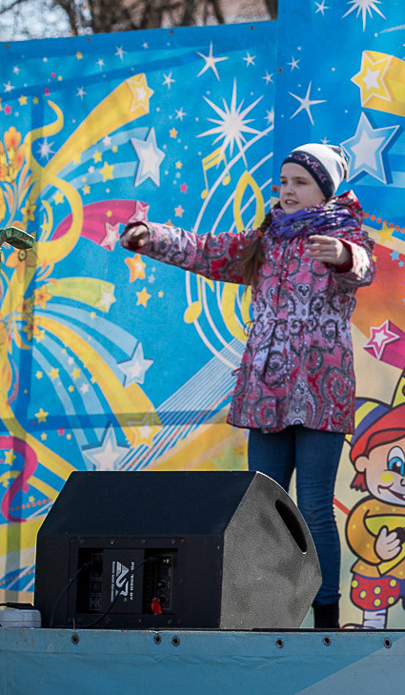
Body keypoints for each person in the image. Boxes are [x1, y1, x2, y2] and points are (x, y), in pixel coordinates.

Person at [121, 144, 375, 629]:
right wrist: (151, 236)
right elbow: (205, 250)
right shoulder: (266, 240)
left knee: (314, 506)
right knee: (263, 510)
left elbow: (361, 268)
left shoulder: (343, 233)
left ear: (325, 190)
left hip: (320, 392)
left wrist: (344, 256)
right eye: (283, 182)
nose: (287, 191)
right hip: (267, 394)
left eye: (300, 182)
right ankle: (270, 616)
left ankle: (326, 619)